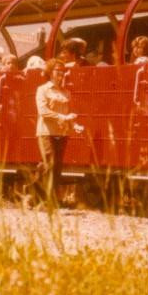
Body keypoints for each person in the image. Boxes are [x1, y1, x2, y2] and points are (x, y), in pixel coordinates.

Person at [34, 58, 83, 205]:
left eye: (63, 72)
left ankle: (44, 196)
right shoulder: (42, 90)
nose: (60, 74)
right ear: (50, 72)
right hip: (46, 132)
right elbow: (43, 112)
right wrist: (63, 117)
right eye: (57, 71)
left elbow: (69, 112)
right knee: (49, 164)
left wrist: (75, 125)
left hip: (62, 133)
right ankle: (44, 198)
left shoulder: (66, 92)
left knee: (56, 168)